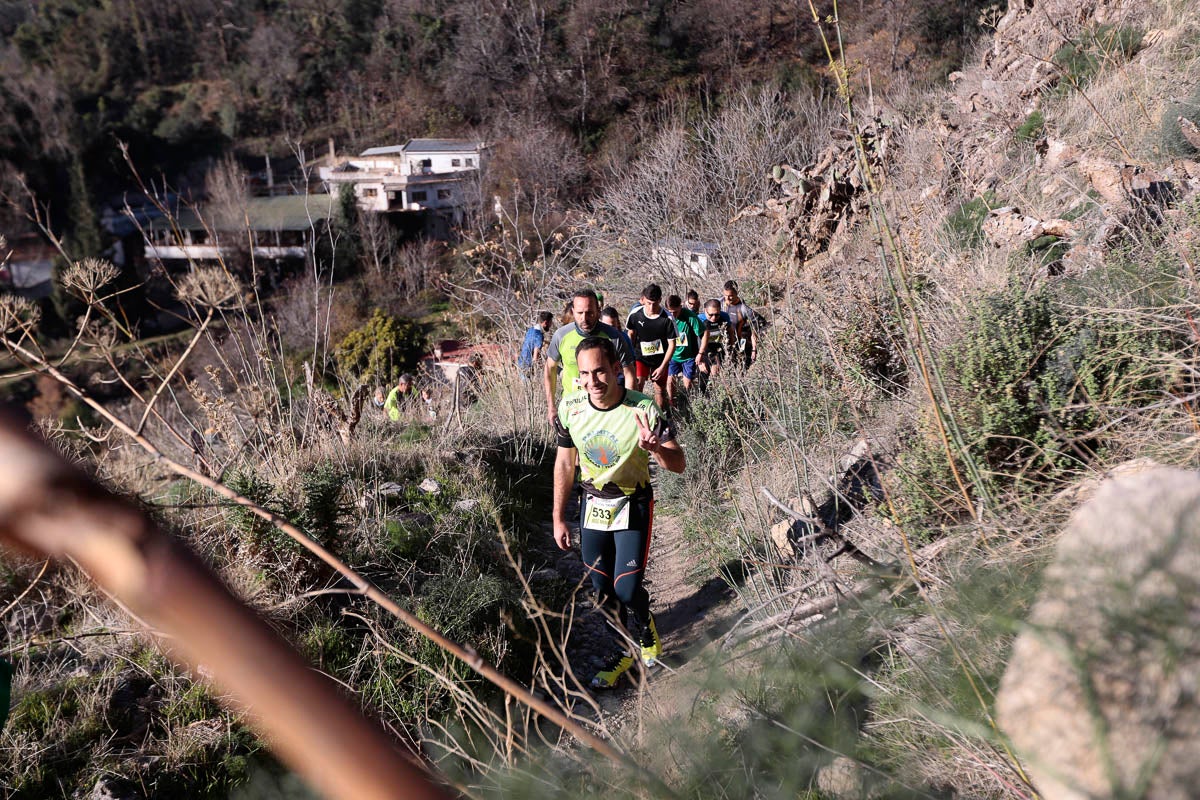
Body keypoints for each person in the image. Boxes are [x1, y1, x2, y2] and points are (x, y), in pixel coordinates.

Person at [552, 337, 686, 688]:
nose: (592, 381)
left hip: (633, 503)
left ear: (616, 370)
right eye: (584, 374)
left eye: (600, 371)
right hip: (593, 505)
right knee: (601, 589)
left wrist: (656, 448)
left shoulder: (643, 408)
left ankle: (645, 628)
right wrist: (557, 516)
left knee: (626, 590)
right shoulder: (571, 407)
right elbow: (565, 464)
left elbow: (679, 464)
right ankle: (622, 651)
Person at [544, 289, 636, 423]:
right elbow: (550, 370)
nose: (584, 318)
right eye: (580, 313)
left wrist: (627, 408)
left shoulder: (614, 337)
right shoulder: (561, 335)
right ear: (573, 311)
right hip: (573, 409)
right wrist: (551, 406)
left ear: (598, 311)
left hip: (607, 408)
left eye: (589, 313)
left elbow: (629, 374)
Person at [624, 283, 675, 409]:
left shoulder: (667, 318)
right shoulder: (635, 314)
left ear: (660, 300)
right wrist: (630, 357)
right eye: (648, 303)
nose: (651, 307)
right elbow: (630, 334)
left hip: (660, 360)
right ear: (643, 300)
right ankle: (637, 416)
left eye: (655, 304)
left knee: (659, 391)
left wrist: (663, 366)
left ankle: (660, 418)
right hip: (641, 356)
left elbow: (672, 344)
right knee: (637, 386)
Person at [665, 294, 707, 408]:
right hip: (673, 356)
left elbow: (704, 333)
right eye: (670, 312)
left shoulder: (690, 316)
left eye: (675, 311)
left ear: (681, 306)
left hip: (689, 356)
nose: (673, 314)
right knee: (670, 381)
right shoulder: (664, 317)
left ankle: (691, 404)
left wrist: (701, 353)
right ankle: (672, 404)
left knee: (687, 383)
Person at [722, 280, 759, 369]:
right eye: (725, 295)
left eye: (730, 296)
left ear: (736, 293)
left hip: (740, 345)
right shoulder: (719, 304)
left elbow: (758, 325)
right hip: (723, 345)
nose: (727, 298)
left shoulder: (743, 309)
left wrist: (754, 348)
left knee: (741, 370)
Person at [698, 299, 734, 382]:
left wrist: (731, 349)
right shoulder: (699, 319)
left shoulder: (725, 317)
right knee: (703, 378)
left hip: (718, 350)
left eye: (717, 315)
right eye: (711, 315)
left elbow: (730, 332)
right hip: (703, 351)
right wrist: (699, 357)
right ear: (705, 311)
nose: (714, 318)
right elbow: (693, 340)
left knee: (715, 375)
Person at [601, 306, 635, 386]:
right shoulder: (595, 337)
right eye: (606, 326)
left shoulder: (623, 338)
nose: (609, 329)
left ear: (617, 324)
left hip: (619, 378)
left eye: (612, 326)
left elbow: (631, 361)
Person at [518, 311, 555, 376]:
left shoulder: (531, 330)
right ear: (545, 322)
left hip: (521, 362)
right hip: (528, 367)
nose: (551, 325)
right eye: (550, 323)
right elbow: (535, 357)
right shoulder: (539, 336)